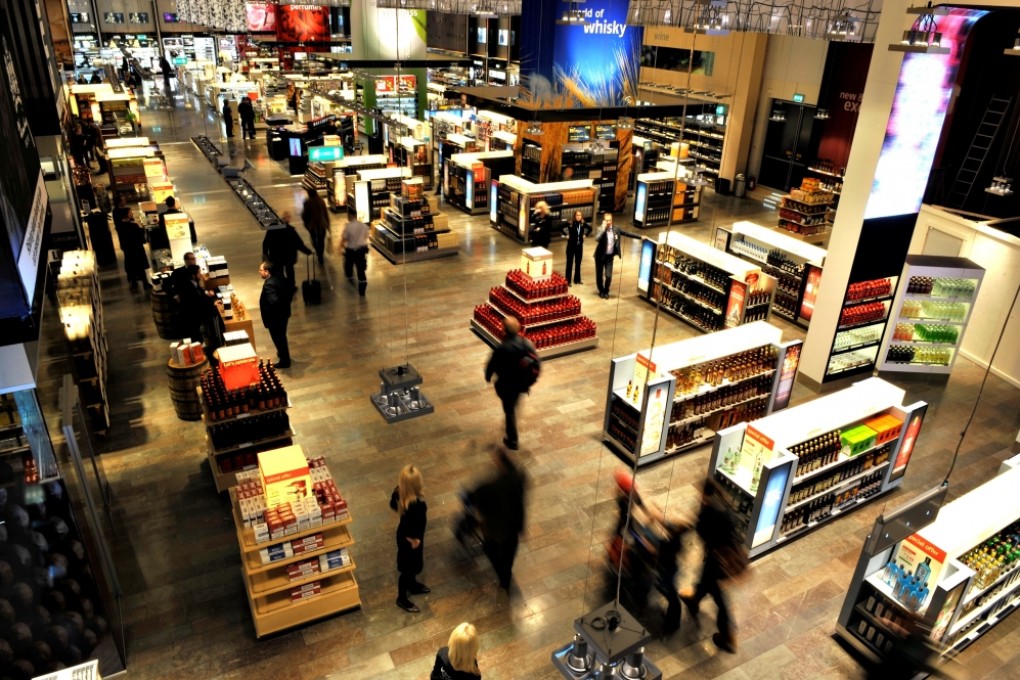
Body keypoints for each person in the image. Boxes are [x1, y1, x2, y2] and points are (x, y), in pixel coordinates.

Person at [680, 478, 743, 653]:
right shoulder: (724, 504)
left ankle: (728, 635)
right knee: (706, 582)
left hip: (717, 560)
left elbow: (701, 530)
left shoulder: (709, 510)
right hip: (722, 557)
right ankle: (694, 599)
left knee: (718, 595)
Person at [469, 447, 527, 591]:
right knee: (508, 556)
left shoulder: (487, 488)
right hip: (512, 528)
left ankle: (503, 574)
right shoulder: (519, 479)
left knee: (491, 551)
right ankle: (506, 576)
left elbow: (477, 503)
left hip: (493, 529)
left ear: (499, 464)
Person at [484, 316, 537, 451]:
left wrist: (488, 376)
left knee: (509, 411)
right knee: (513, 405)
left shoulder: (502, 348)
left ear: (504, 330)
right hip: (521, 384)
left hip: (507, 386)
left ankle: (513, 440)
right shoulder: (527, 344)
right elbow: (536, 364)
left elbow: (492, 365)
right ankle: (512, 418)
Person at [390, 465, 428, 613]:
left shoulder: (399, 492)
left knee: (411, 565)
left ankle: (412, 584)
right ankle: (402, 598)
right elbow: (410, 525)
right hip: (411, 540)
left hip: (407, 537)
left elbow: (393, 505)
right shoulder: (415, 504)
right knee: (408, 568)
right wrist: (414, 540)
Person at [258, 260, 293, 368]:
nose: (259, 272)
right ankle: (282, 353)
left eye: (261, 270)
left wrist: (271, 313)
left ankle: (285, 360)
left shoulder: (269, 285)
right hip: (284, 314)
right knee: (281, 336)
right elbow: (289, 292)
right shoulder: (280, 278)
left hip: (275, 318)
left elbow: (274, 302)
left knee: (278, 338)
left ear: (267, 271)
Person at [593, 213, 636, 299]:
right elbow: (597, 239)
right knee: (599, 275)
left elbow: (627, 233)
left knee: (608, 276)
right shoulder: (600, 229)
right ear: (604, 221)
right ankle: (601, 290)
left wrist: (640, 237)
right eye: (606, 220)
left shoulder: (616, 229)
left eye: (609, 220)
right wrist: (603, 229)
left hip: (609, 257)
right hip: (600, 256)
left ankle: (606, 290)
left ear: (612, 221)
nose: (608, 222)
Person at [262, 214, 312, 288]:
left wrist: (265, 254)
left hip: (276, 256)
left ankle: (281, 285)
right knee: (290, 270)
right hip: (288, 256)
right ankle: (291, 285)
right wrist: (307, 251)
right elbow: (298, 243)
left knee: (279, 271)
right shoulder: (290, 230)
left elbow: (265, 243)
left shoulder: (272, 230)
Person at [114, 208, 151, 291]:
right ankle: (145, 283)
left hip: (128, 249)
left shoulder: (120, 226)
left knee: (131, 265)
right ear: (126, 214)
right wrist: (141, 227)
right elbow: (141, 237)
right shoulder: (133, 225)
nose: (132, 213)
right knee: (140, 265)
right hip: (137, 248)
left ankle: (133, 282)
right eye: (130, 212)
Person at [301, 187, 331, 266]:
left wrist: (305, 223)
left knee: (314, 239)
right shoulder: (321, 201)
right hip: (322, 224)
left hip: (312, 225)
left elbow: (305, 214)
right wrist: (328, 224)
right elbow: (325, 213)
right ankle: (320, 255)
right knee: (321, 240)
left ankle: (318, 251)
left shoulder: (307, 202)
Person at [341, 214, 370, 296]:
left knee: (349, 266)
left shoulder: (348, 227)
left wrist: (341, 246)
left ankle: (351, 281)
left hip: (351, 250)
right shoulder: (364, 226)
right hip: (361, 251)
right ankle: (362, 290)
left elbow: (344, 238)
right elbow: (366, 237)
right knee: (361, 270)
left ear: (350, 217)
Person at [561, 209, 591, 286]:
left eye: (580, 215)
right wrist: (566, 235)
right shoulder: (570, 223)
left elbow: (590, 229)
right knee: (569, 263)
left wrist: (585, 235)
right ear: (574, 216)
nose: (579, 217)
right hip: (571, 246)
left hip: (579, 246)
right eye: (577, 215)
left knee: (578, 263)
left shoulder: (582, 224)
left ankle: (577, 279)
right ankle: (568, 281)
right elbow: (560, 227)